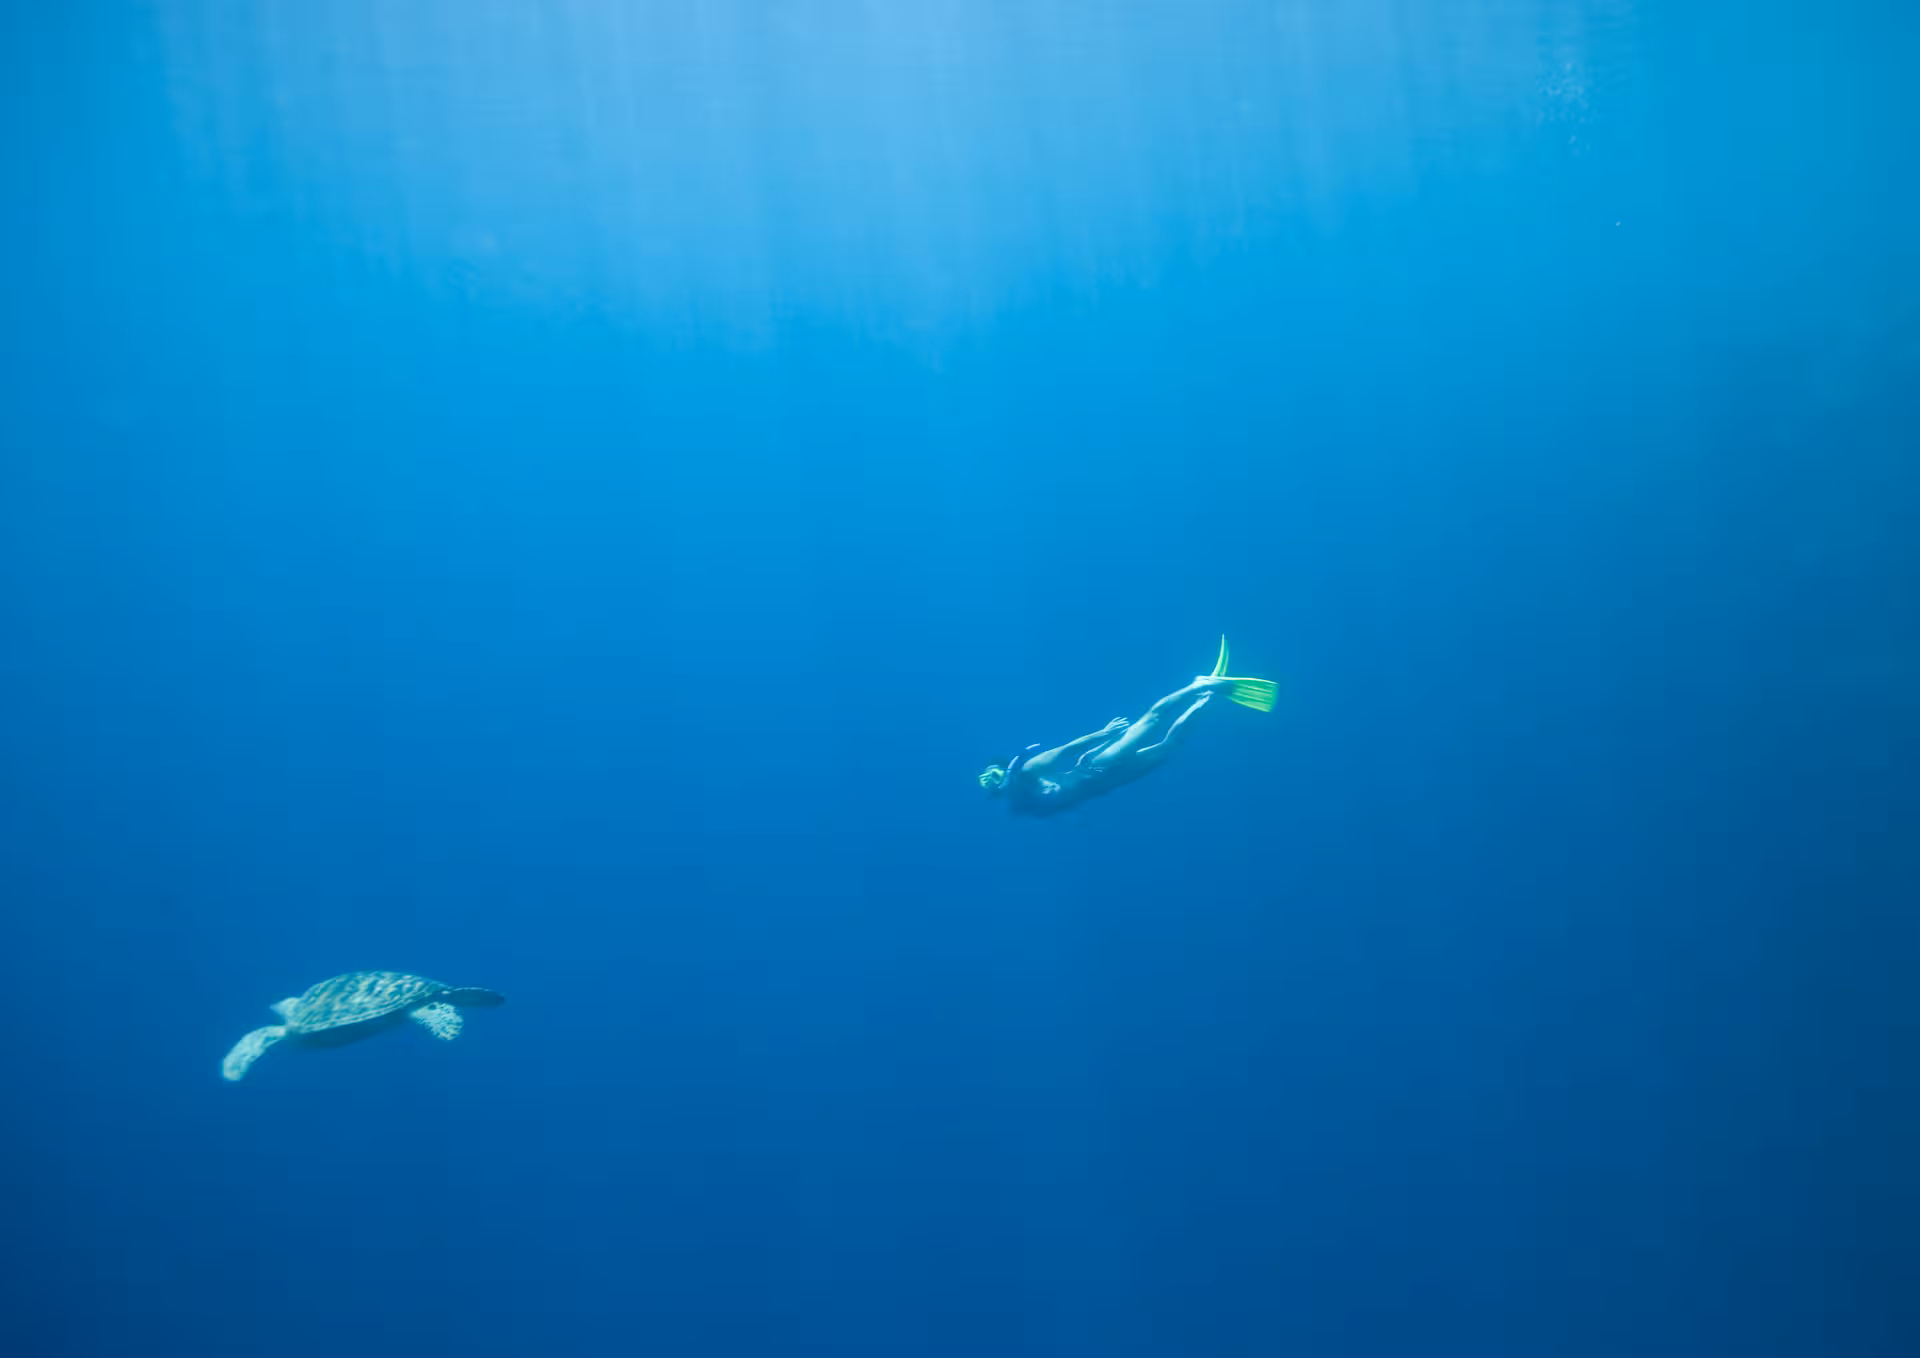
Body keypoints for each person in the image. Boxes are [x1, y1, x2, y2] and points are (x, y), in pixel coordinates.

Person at [980, 637, 1276, 818]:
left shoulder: (1030, 770)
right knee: (1169, 748)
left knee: (1152, 719)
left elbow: (1069, 749)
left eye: (992, 775)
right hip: (1109, 781)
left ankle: (1198, 685)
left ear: (1006, 769)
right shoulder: (1024, 808)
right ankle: (1209, 697)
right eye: (988, 783)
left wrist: (1103, 734)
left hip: (1094, 765)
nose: (992, 782)